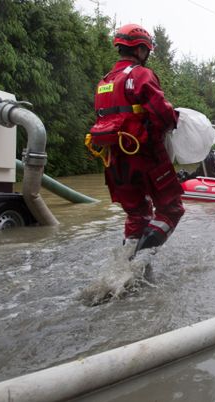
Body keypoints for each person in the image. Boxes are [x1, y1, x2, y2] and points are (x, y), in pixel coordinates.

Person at [88, 23, 184, 253]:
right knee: (171, 209)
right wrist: (175, 119)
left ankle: (125, 266)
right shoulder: (141, 74)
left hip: (114, 161)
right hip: (144, 154)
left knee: (137, 214)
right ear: (141, 50)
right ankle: (138, 261)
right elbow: (162, 115)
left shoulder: (104, 81)